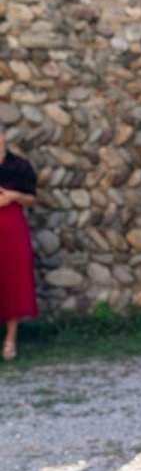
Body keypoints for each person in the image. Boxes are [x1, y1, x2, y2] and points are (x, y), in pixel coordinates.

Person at [0, 122, 38, 361]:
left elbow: (32, 199)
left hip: (12, 228)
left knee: (12, 279)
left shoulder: (20, 166)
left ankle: (10, 340)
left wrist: (14, 196)